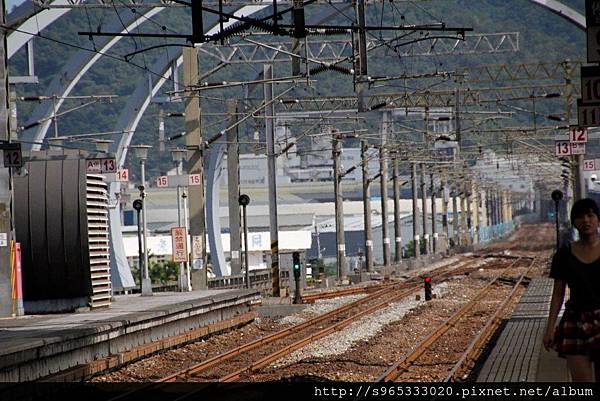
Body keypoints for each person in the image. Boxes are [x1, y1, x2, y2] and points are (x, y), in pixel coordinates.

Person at [544, 198, 600, 382]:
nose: (586, 221)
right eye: (580, 217)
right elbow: (558, 293)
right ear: (574, 222)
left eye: (590, 215)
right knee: (581, 382)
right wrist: (550, 327)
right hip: (574, 321)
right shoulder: (563, 255)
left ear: (598, 219)